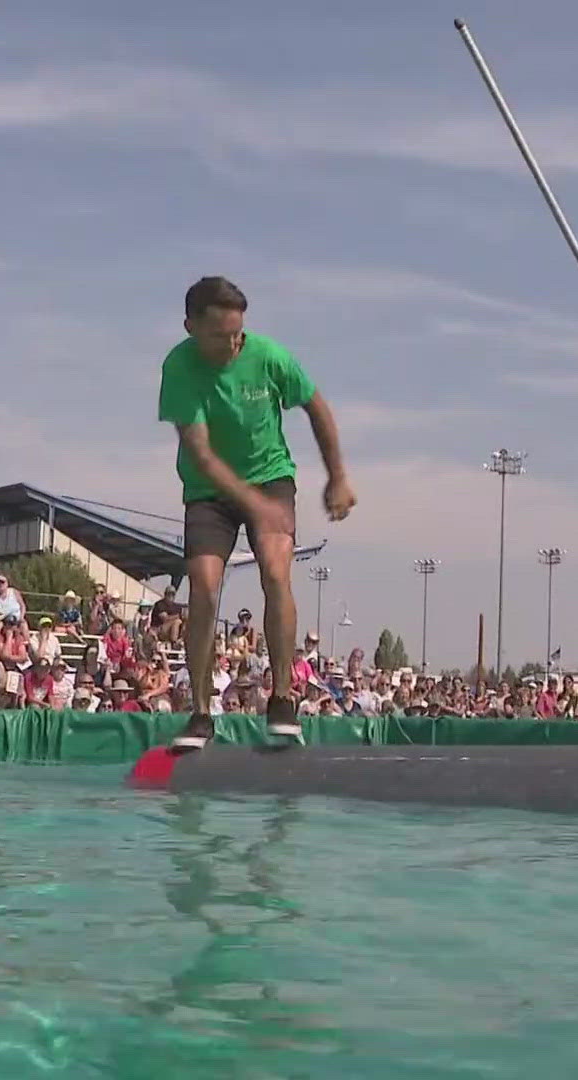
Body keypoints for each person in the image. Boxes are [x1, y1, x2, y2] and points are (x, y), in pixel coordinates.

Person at [158, 276, 355, 750]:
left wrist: (338, 475)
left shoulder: (269, 356)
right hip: (208, 491)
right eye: (221, 334)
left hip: (271, 476)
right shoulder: (180, 367)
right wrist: (255, 507)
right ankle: (201, 713)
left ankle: (283, 701)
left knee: (274, 571)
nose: (233, 343)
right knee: (204, 586)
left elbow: (317, 407)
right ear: (190, 327)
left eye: (238, 333)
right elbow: (202, 455)